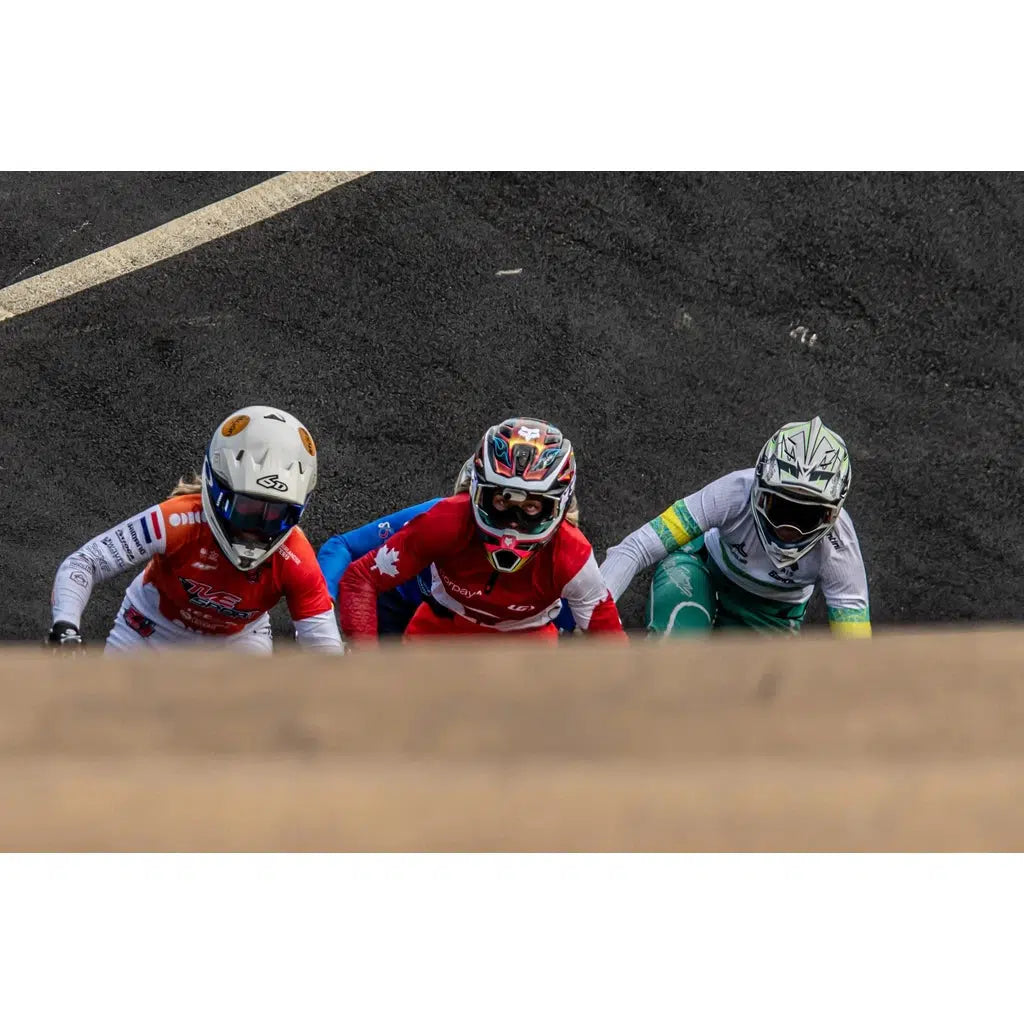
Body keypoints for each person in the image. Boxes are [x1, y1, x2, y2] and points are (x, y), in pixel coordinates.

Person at [47, 405, 344, 653]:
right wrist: (65, 626)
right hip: (150, 628)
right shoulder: (177, 520)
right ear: (218, 488)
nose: (256, 529)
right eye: (246, 509)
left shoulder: (296, 556)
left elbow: (325, 651)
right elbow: (85, 563)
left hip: (237, 644)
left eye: (276, 515)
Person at [338, 417, 624, 643]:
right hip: (438, 637)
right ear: (477, 491)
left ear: (559, 506)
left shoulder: (572, 555)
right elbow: (361, 579)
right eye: (501, 501)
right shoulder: (446, 521)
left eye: (531, 508)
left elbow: (611, 646)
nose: (513, 523)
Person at [600, 417, 871, 637]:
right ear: (759, 489)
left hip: (771, 611)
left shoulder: (839, 544)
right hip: (702, 568)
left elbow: (856, 660)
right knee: (673, 657)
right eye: (781, 507)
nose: (789, 529)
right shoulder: (732, 492)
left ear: (831, 515)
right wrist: (592, 615)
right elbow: (636, 548)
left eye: (806, 516)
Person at [317, 461, 578, 636]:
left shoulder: (557, 560)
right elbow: (342, 546)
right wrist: (321, 612)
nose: (510, 528)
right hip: (398, 610)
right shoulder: (436, 518)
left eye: (528, 512)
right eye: (498, 505)